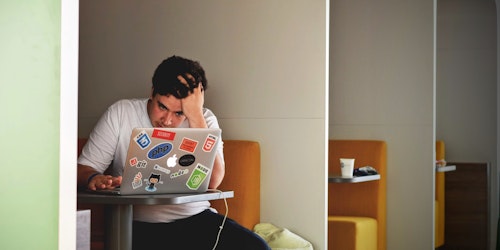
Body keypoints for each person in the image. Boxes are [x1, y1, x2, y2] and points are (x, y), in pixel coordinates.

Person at [77, 55, 270, 250]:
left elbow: (213, 181)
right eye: (162, 107)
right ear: (152, 92)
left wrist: (195, 116)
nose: (167, 121)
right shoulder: (121, 113)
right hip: (136, 225)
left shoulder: (205, 120)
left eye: (179, 113)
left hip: (195, 219)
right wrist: (94, 177)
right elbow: (83, 169)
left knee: (257, 247)